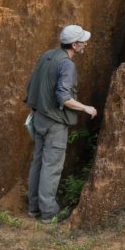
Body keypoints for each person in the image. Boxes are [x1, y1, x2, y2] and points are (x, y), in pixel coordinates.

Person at [25, 25, 97, 224]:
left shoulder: (47, 55)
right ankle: (49, 213)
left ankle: (33, 208)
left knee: (38, 162)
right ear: (74, 45)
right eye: (82, 42)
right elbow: (63, 97)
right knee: (52, 166)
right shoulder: (67, 65)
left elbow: (31, 85)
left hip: (39, 117)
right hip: (55, 122)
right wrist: (85, 108)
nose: (85, 44)